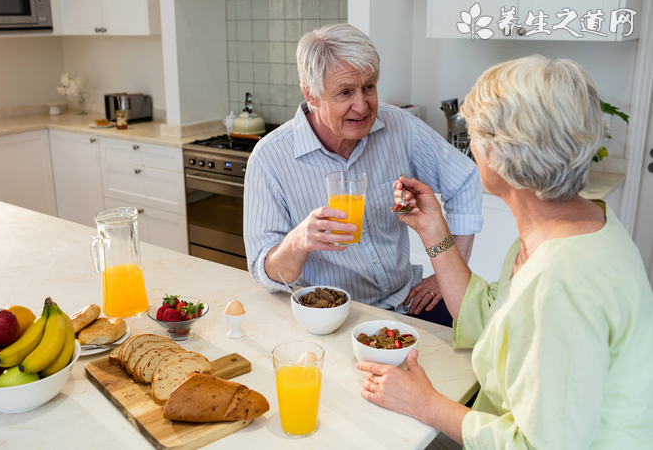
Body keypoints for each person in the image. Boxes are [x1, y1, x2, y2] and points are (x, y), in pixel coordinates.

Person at [357, 55, 653, 448]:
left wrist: (426, 404)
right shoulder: (572, 224)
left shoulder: (560, 284)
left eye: (474, 134)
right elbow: (486, 317)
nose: (469, 144)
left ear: (500, 156)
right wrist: (432, 228)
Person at [243, 24, 483, 325]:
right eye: (345, 92)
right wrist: (298, 241)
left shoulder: (400, 127)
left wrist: (447, 275)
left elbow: (465, 180)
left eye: (368, 87)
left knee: (479, 343)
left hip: (407, 299)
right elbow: (265, 275)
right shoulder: (269, 158)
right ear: (311, 94)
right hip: (329, 315)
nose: (362, 105)